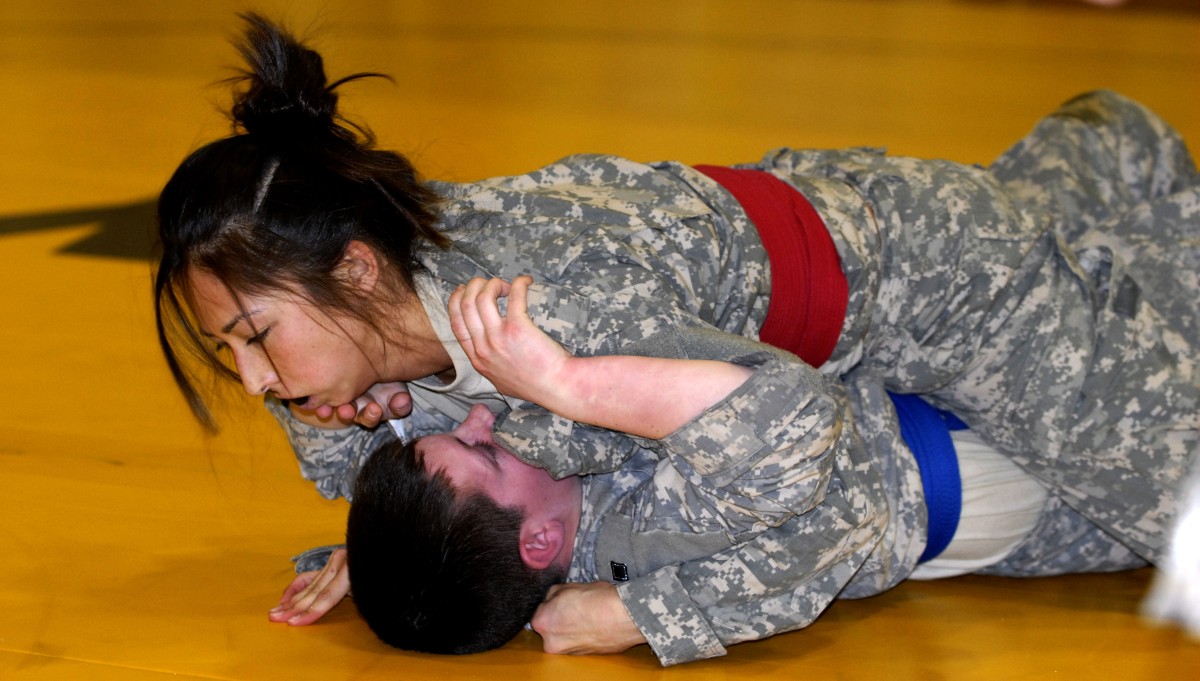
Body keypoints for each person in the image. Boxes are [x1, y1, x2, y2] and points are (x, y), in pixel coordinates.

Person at [155, 15, 1200, 625]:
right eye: (226, 349)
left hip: (953, 285)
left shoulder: (549, 310)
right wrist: (381, 545)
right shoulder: (343, 346)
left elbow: (800, 429)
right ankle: (1101, 149)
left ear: (358, 270)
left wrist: (638, 599)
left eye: (255, 336)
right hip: (813, 213)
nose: (256, 381)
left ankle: (1094, 186)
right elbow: (358, 470)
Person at [343, 276, 1157, 665]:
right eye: (482, 451)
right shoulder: (642, 542)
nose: (481, 419)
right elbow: (791, 418)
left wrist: (373, 566)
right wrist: (644, 611)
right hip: (986, 465)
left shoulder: (537, 513)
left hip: (918, 372)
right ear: (541, 541)